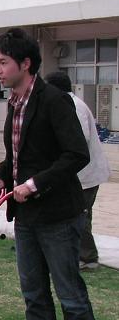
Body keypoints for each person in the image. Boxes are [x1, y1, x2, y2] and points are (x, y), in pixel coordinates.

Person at [0, 28, 99, 320]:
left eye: (3, 63)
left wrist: (34, 185)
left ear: (26, 63)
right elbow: (18, 157)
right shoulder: (14, 103)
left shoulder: (54, 100)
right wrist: (1, 176)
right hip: (27, 218)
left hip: (59, 215)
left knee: (70, 294)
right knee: (34, 295)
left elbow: (76, 154)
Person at [44, 71, 111, 271]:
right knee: (72, 215)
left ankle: (88, 258)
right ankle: (72, 252)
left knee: (80, 215)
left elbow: (77, 142)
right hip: (77, 174)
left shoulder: (74, 107)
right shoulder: (66, 104)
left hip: (86, 175)